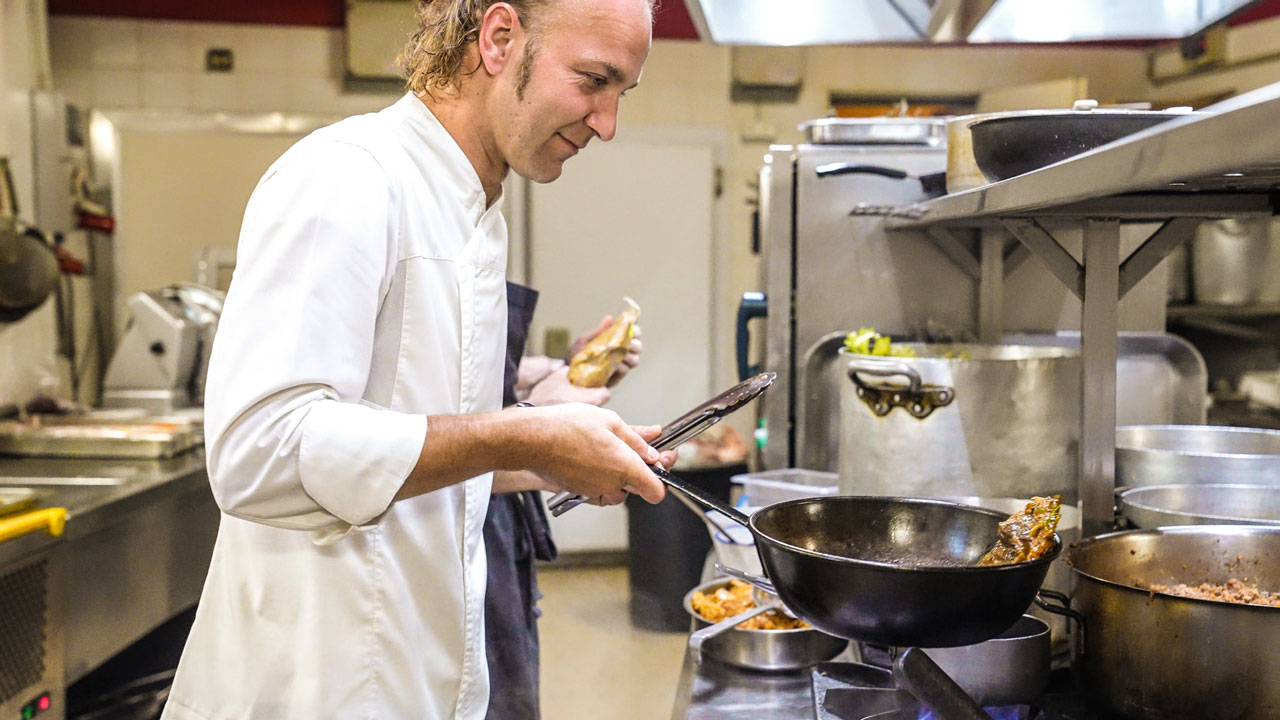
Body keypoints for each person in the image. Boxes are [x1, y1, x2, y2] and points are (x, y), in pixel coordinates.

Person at [161, 1, 664, 718]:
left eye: (622, 94)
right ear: (498, 39)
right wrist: (523, 434)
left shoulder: (477, 214)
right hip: (315, 688)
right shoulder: (349, 178)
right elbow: (258, 453)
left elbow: (421, 445)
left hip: (421, 677)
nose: (608, 123)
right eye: (593, 80)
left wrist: (552, 450)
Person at [485, 286, 640, 720]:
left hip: (498, 523)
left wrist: (565, 369)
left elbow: (473, 375)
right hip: (445, 521)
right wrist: (539, 421)